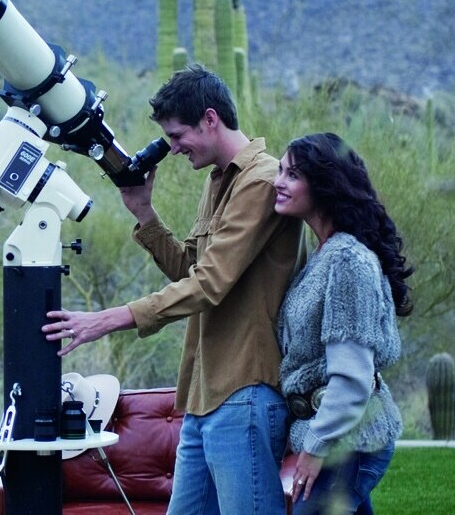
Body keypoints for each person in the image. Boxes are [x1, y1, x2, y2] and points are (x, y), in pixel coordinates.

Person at [43, 64, 306, 514]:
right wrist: (144, 214)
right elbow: (191, 268)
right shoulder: (217, 179)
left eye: (178, 135)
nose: (174, 148)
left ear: (210, 119)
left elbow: (210, 283)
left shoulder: (260, 181)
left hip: (243, 390)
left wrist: (111, 319)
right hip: (203, 393)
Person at [273, 132, 413, 514]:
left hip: (349, 443)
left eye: (291, 175)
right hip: (338, 439)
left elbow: (351, 378)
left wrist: (317, 446)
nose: (277, 182)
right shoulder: (324, 255)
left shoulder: (347, 261)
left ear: (324, 185)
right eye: (279, 171)